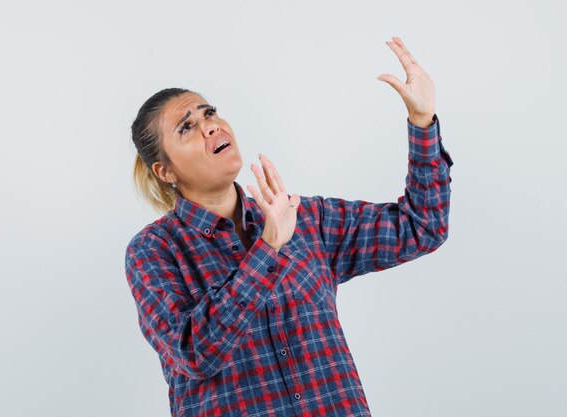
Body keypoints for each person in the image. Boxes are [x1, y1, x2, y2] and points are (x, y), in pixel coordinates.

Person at [124, 36, 453, 417]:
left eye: (209, 113)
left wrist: (422, 122)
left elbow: (422, 226)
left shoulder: (306, 219)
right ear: (165, 171)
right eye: (187, 127)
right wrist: (267, 248)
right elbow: (195, 355)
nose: (210, 127)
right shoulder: (152, 251)